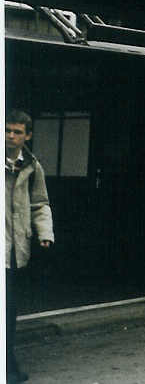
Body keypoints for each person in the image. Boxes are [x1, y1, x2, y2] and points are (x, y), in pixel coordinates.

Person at [6, 110, 54, 384]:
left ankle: (7, 364)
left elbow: (40, 203)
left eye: (17, 132)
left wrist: (44, 232)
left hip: (14, 250)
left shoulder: (33, 167)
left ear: (28, 136)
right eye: (7, 130)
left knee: (8, 309)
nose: (10, 136)